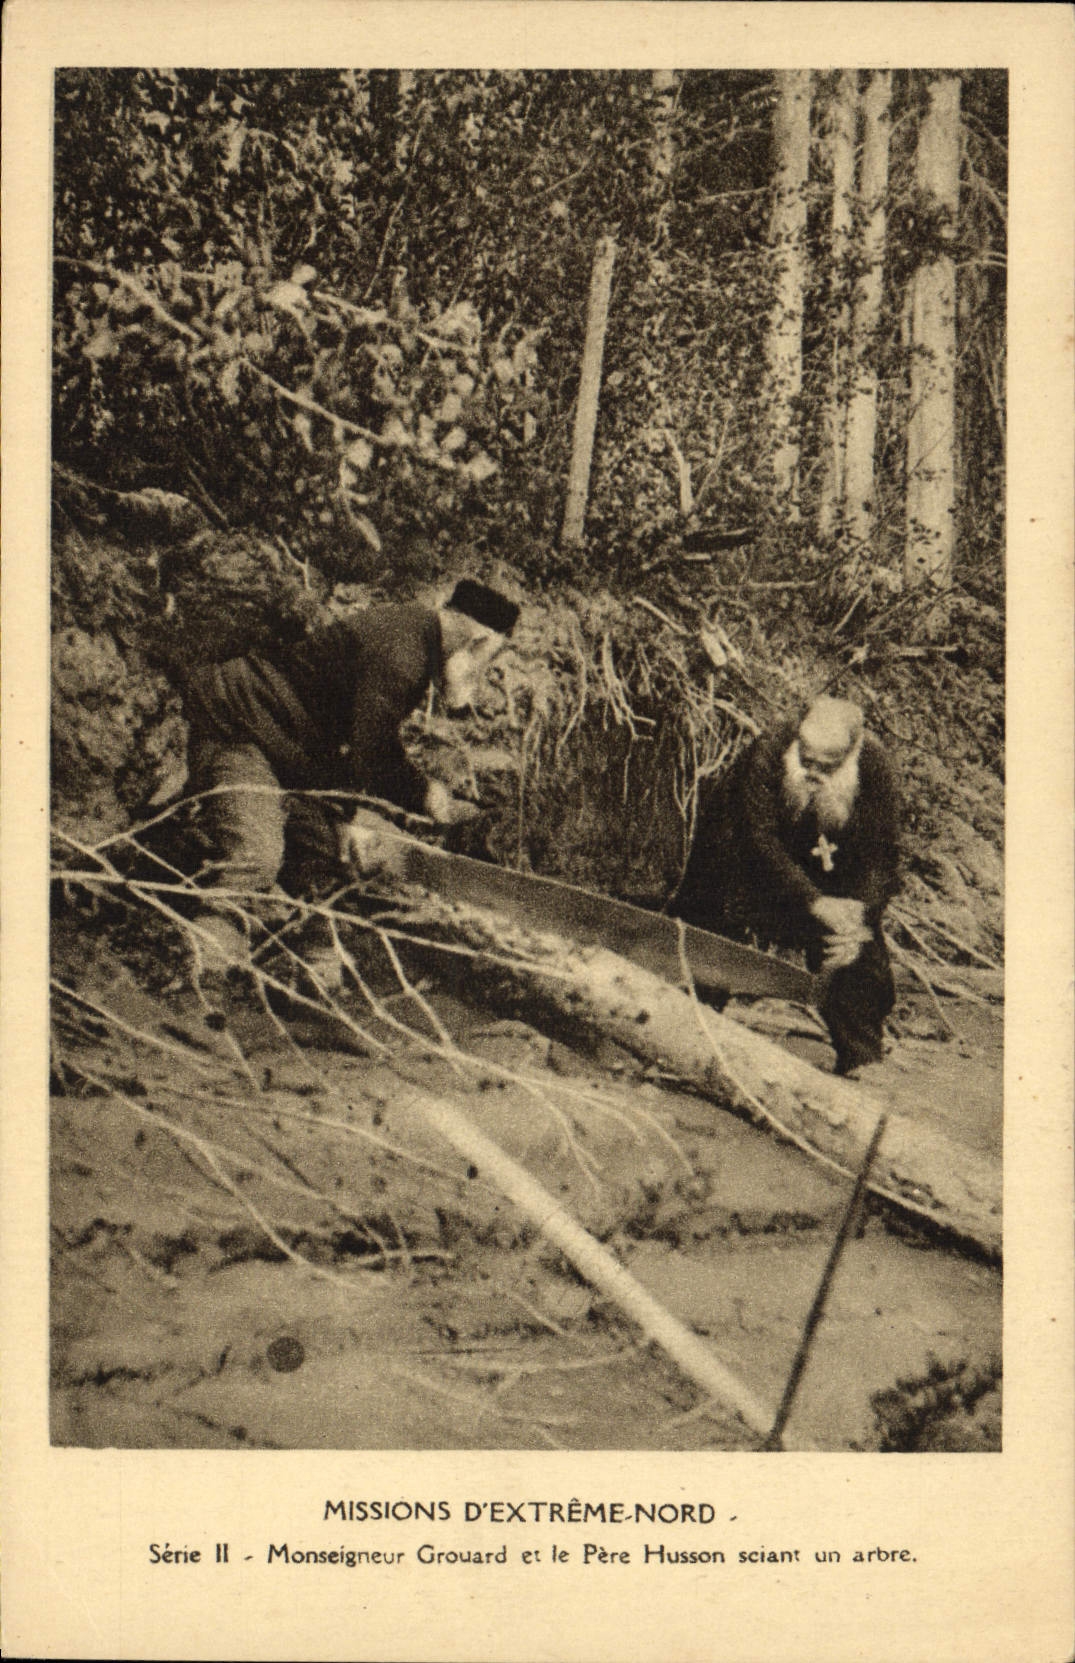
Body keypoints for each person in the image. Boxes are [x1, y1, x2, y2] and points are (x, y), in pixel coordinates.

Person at [179, 578, 519, 970]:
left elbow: (350, 742)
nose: (480, 674)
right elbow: (372, 753)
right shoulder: (402, 654)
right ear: (478, 642)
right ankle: (203, 973)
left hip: (288, 747)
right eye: (487, 659)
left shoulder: (411, 636)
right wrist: (425, 795)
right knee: (256, 856)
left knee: (322, 861)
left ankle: (307, 970)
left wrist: (342, 813)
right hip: (239, 725)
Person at [670, 696, 901, 1075]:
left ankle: (860, 1058)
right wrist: (812, 901)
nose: (812, 773)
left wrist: (857, 914)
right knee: (708, 933)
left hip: (828, 874)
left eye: (825, 767)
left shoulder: (876, 768)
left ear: (850, 753)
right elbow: (756, 837)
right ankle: (686, 1031)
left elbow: (883, 855)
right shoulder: (768, 751)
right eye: (805, 761)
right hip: (748, 870)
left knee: (858, 954)